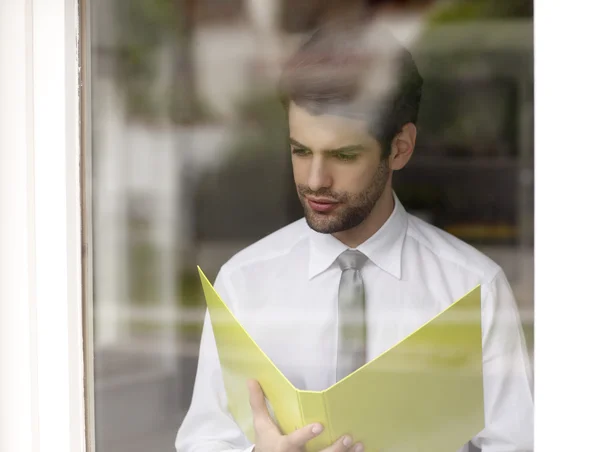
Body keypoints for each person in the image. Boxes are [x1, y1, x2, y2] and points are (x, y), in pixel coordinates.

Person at [175, 19, 533, 452]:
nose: (315, 179)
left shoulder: (474, 289)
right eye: (300, 151)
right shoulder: (243, 282)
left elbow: (516, 443)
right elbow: (204, 441)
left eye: (343, 155)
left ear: (399, 148)